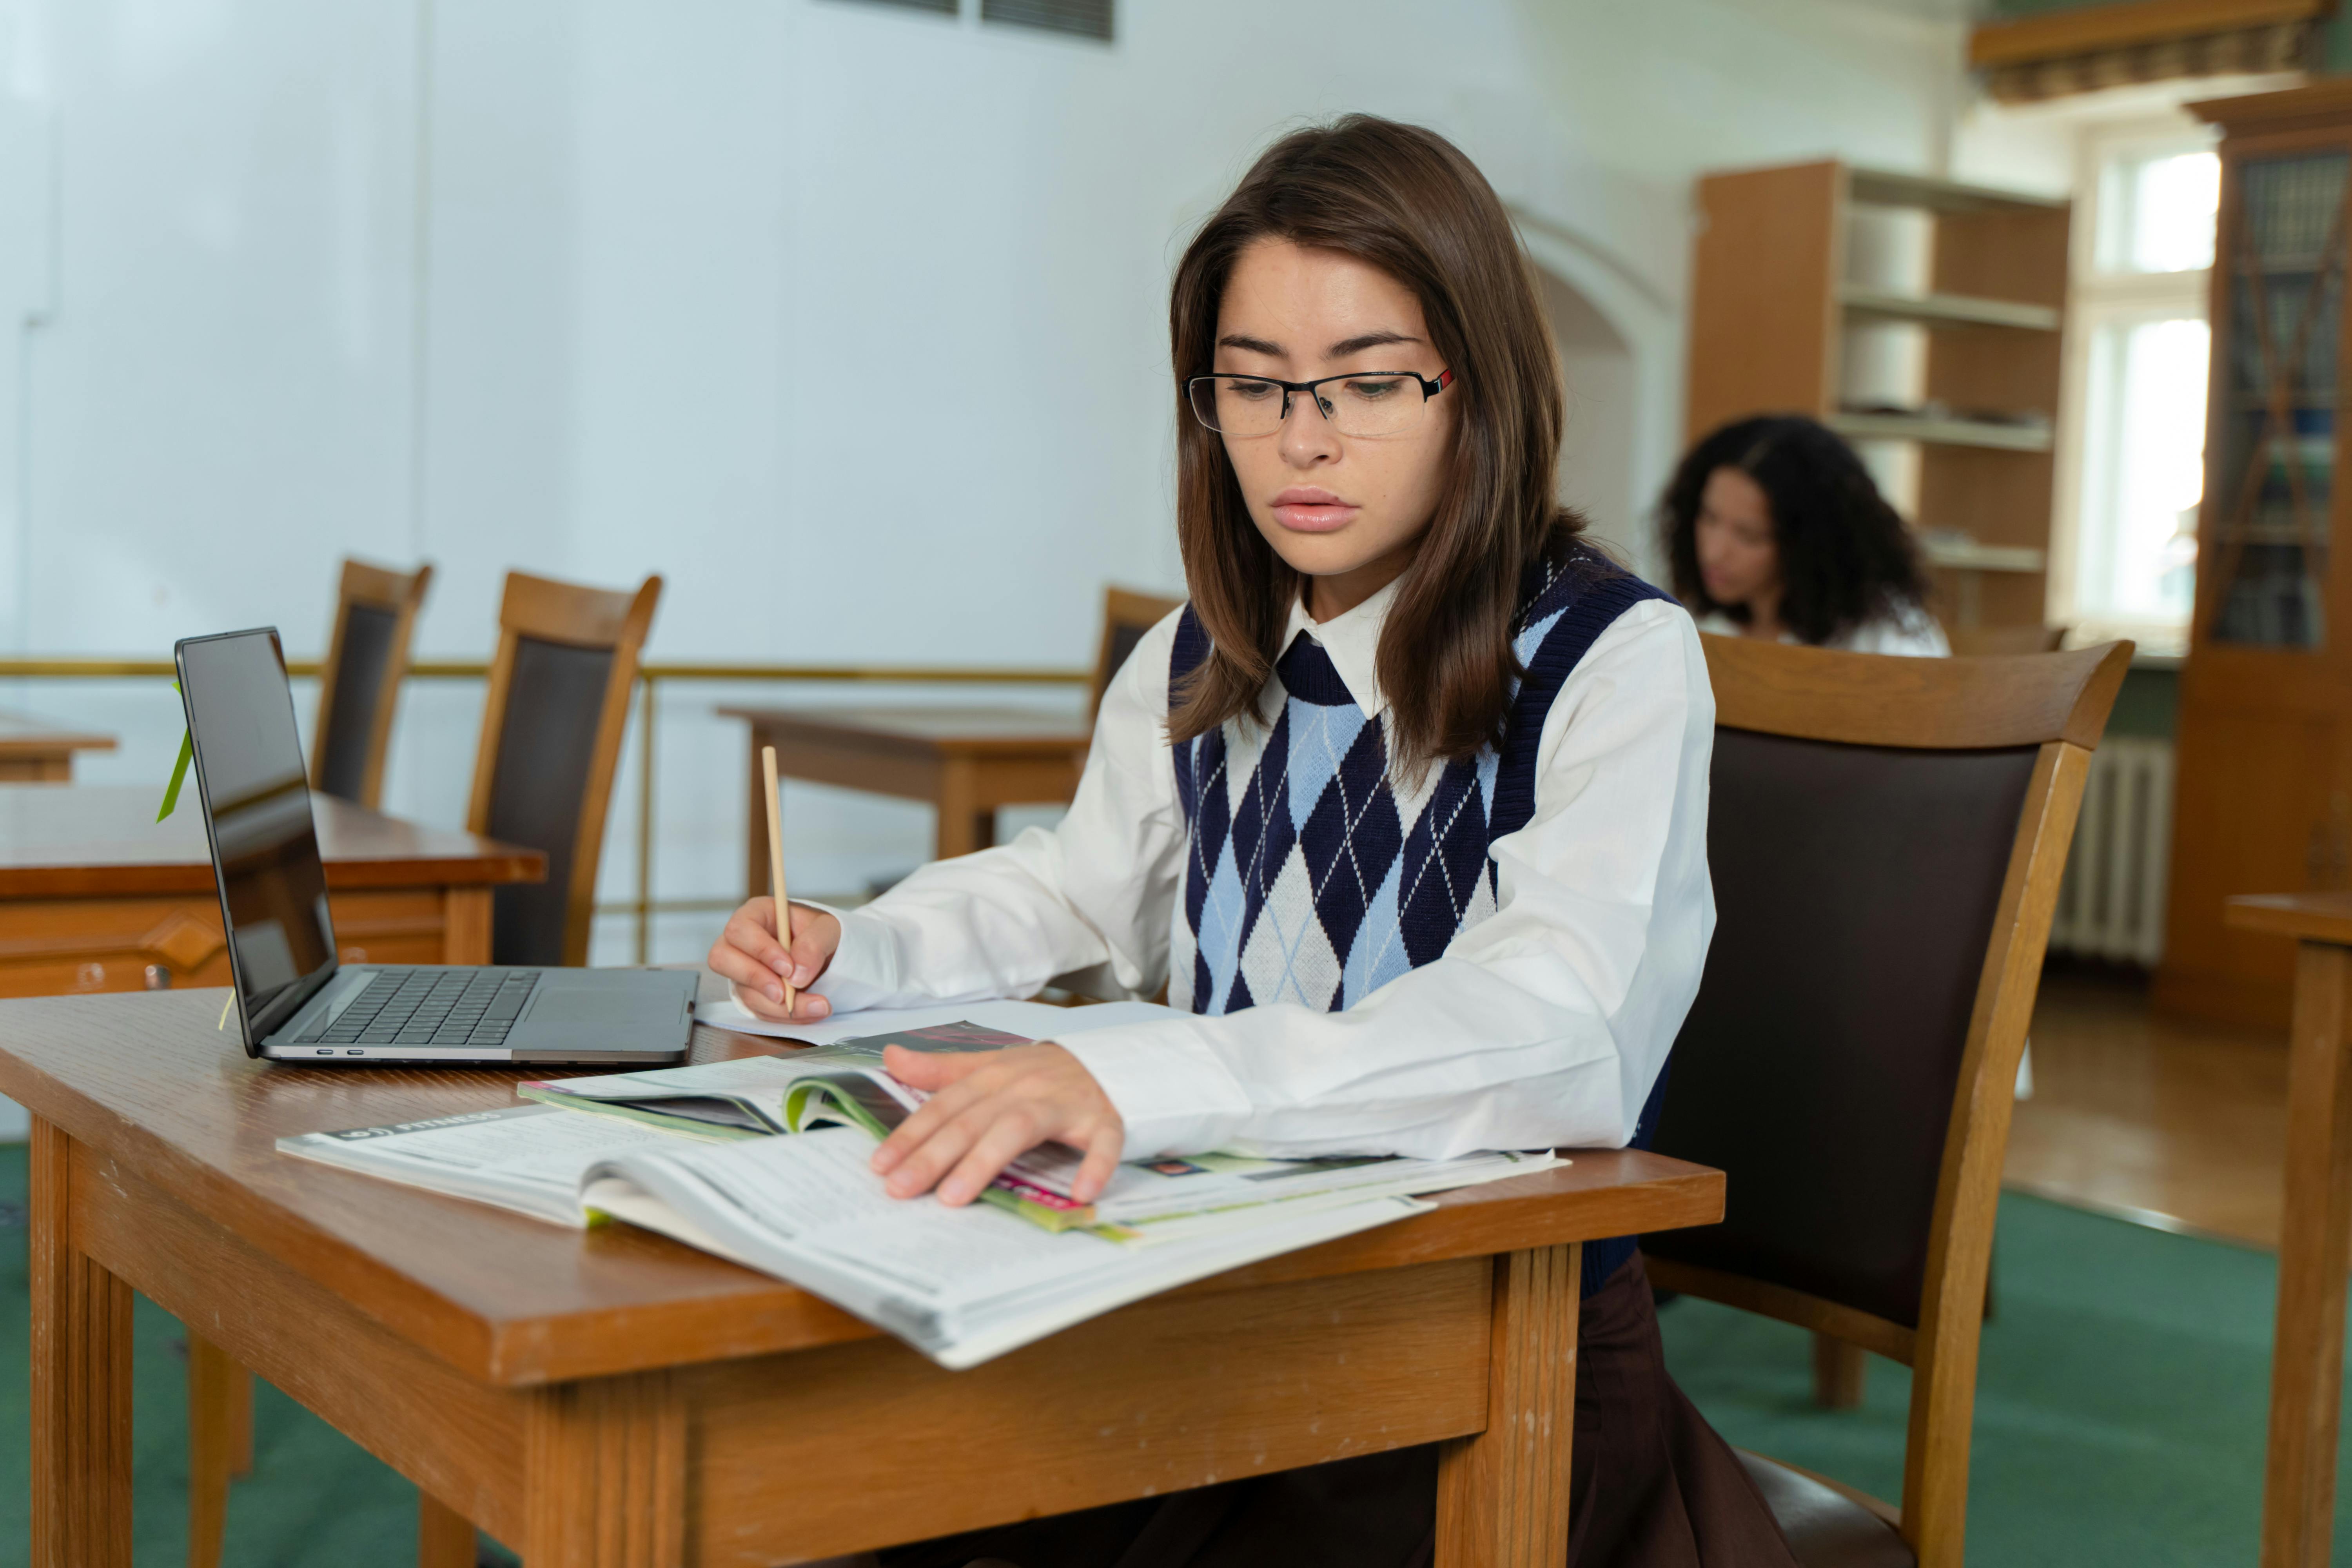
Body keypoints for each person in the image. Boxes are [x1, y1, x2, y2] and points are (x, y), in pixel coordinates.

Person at [708, 116, 1796, 1568]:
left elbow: (1550, 1031)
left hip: (1480, 1350)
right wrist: (865, 944)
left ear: (1476, 388)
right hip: (1216, 1295)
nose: (1302, 438)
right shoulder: (1201, 650)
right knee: (809, 1487)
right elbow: (1074, 885)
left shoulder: (1615, 659)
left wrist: (1135, 1069)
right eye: (1255, 384)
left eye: (1366, 382)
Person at [1663, 414, 1949, 656]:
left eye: (1749, 536)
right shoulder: (1700, 625)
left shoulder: (1885, 641)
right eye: (1709, 518)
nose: (1713, 552)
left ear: (1808, 545)